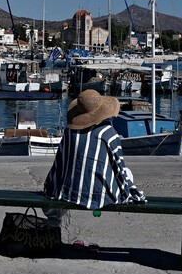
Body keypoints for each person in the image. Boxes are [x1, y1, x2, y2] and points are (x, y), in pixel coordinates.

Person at [43, 89, 145, 226]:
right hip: (100, 196)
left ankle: (54, 222)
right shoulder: (109, 133)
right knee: (128, 173)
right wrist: (130, 192)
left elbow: (58, 165)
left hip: (68, 193)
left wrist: (50, 188)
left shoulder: (69, 132)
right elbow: (119, 168)